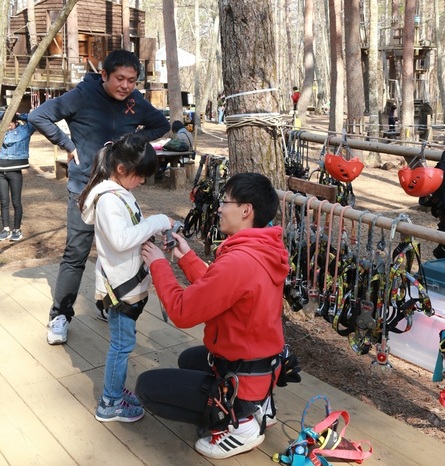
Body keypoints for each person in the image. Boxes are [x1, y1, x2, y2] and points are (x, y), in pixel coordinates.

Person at [135, 172, 289, 460]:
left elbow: (182, 312)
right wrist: (186, 257)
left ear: (246, 211)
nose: (218, 207)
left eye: (225, 201)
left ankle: (241, 422)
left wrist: (159, 265)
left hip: (245, 374)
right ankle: (260, 404)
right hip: (262, 364)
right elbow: (219, 289)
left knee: (148, 388)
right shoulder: (263, 249)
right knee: (189, 360)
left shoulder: (240, 260)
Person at [29, 49, 170, 345]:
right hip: (85, 190)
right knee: (76, 254)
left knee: (119, 253)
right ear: (104, 75)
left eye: (132, 81)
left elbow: (161, 124)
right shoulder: (83, 95)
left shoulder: (135, 101)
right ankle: (60, 316)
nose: (126, 86)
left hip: (120, 193)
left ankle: (110, 304)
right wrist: (66, 144)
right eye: (120, 79)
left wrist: (129, 145)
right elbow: (38, 115)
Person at [78, 133, 173, 423]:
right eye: (140, 175)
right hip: (120, 289)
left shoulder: (121, 193)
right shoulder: (108, 200)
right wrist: (157, 221)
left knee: (124, 343)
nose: (143, 181)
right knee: (121, 346)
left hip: (130, 283)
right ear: (122, 169)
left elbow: (132, 231)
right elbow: (120, 240)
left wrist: (155, 231)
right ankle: (110, 401)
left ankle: (115, 390)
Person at [0, 111, 35, 242]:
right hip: (0, 171)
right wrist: (6, 113)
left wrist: (19, 114)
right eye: (6, 124)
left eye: (10, 124)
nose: (8, 127)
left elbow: (34, 119)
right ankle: (6, 229)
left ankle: (17, 229)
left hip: (14, 171)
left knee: (16, 202)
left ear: (15, 123)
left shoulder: (24, 130)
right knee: (3, 202)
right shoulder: (1, 130)